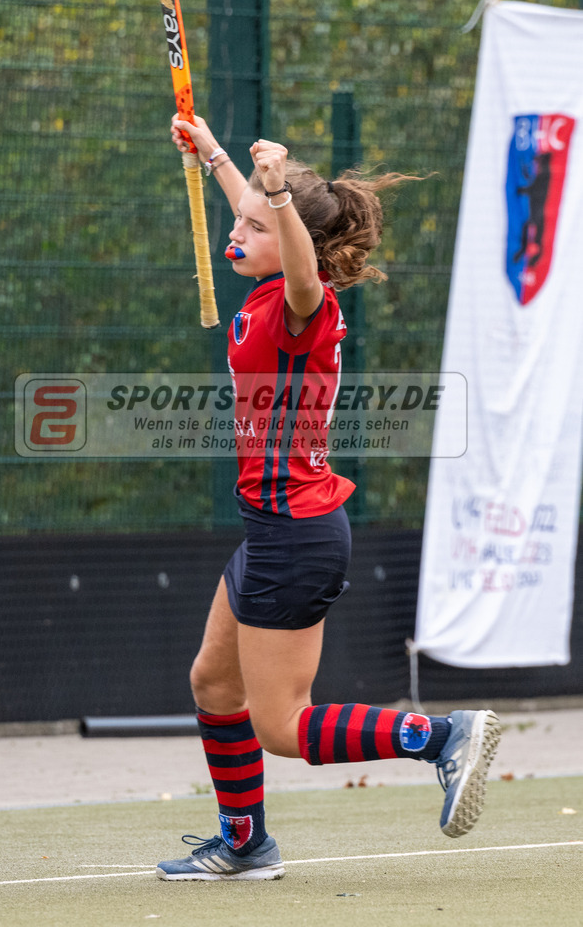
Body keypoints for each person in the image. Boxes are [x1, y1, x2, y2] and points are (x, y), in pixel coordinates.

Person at [156, 114, 501, 882]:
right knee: (214, 683)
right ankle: (245, 845)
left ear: (290, 240)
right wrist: (213, 153)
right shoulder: (272, 276)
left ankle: (439, 736)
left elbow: (301, 265)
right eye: (235, 221)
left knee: (281, 726)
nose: (231, 235)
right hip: (271, 531)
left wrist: (275, 195)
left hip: (295, 535)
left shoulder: (300, 306)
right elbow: (264, 220)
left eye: (251, 224)